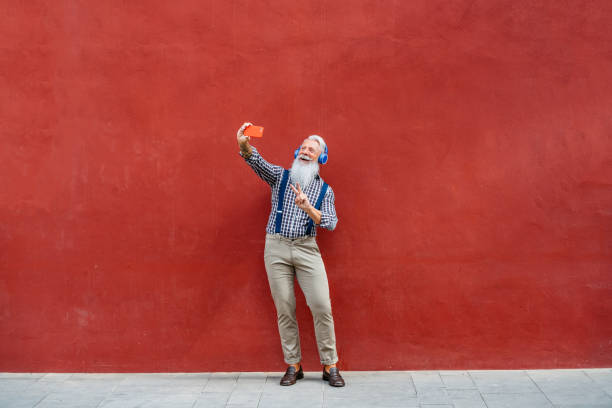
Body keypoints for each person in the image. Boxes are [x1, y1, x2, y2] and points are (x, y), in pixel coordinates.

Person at [236, 122, 345, 387]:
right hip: (277, 247)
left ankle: (330, 364)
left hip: (307, 249)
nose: (307, 151)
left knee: (321, 306)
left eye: (313, 149)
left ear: (321, 157)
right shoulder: (280, 177)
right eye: (304, 147)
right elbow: (257, 161)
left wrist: (308, 207)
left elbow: (330, 222)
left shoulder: (324, 190)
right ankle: (293, 365)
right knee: (285, 306)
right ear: (297, 152)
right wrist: (243, 144)